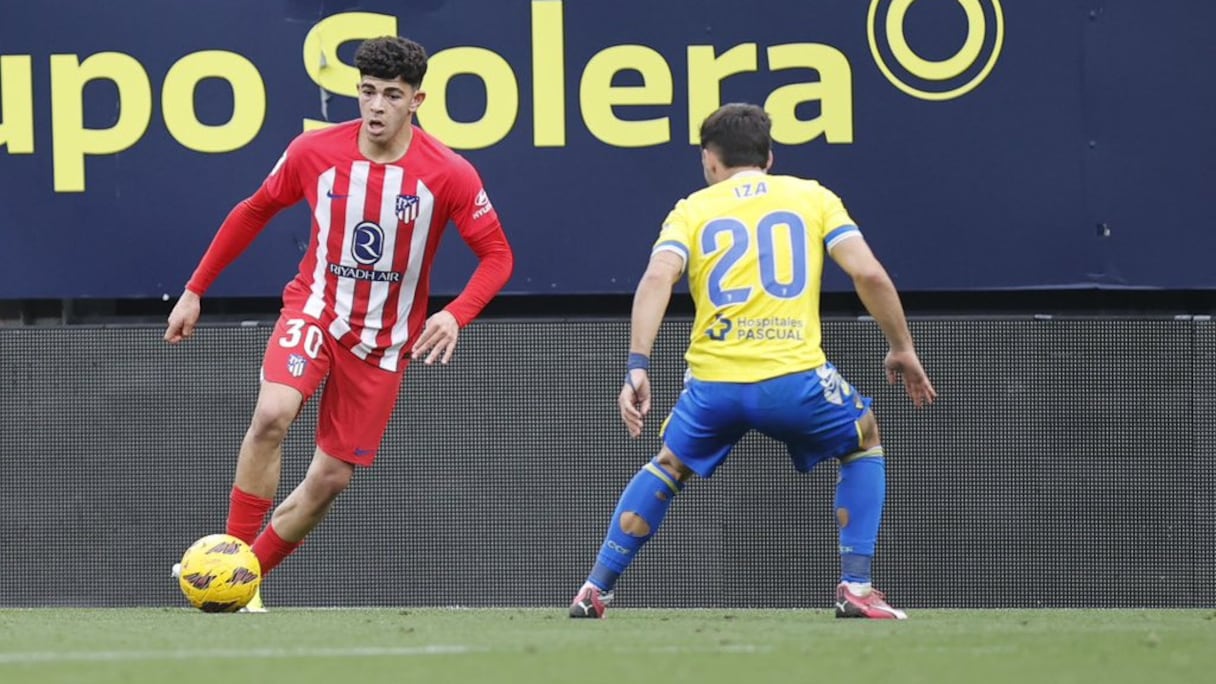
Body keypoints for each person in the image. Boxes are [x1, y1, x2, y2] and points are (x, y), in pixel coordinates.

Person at [165, 36, 514, 611]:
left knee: (331, 480)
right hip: (316, 310)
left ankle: (245, 581)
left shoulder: (448, 173)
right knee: (274, 413)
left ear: (417, 100)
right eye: (368, 92)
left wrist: (455, 314)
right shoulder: (313, 151)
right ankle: (226, 563)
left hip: (382, 343)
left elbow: (498, 256)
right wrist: (195, 289)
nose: (376, 106)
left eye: (391, 95)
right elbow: (254, 209)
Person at [569, 103, 935, 620]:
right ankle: (855, 586)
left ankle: (594, 589)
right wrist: (901, 346)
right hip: (794, 379)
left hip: (712, 385)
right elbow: (869, 274)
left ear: (709, 161)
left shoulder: (692, 208)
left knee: (669, 465)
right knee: (864, 439)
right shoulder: (812, 197)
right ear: (770, 156)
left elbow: (656, 279)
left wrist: (637, 364)